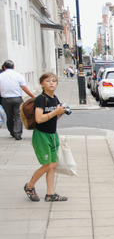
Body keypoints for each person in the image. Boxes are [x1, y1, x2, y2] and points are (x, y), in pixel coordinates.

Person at [23, 73, 68, 202]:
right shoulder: (41, 99)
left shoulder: (55, 99)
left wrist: (61, 113)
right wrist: (55, 112)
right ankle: (29, 186)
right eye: (48, 81)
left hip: (52, 134)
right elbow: (39, 119)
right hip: (41, 135)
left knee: (53, 165)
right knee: (47, 165)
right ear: (42, 84)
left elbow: (54, 117)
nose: (52, 83)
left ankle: (50, 193)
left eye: (54, 81)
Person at [0, 60, 36, 140]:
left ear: (4, 67)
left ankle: (12, 132)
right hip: (17, 98)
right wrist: (32, 96)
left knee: (9, 116)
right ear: (13, 67)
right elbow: (24, 87)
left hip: (5, 99)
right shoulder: (18, 75)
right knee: (18, 116)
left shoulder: (1, 76)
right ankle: (17, 133)